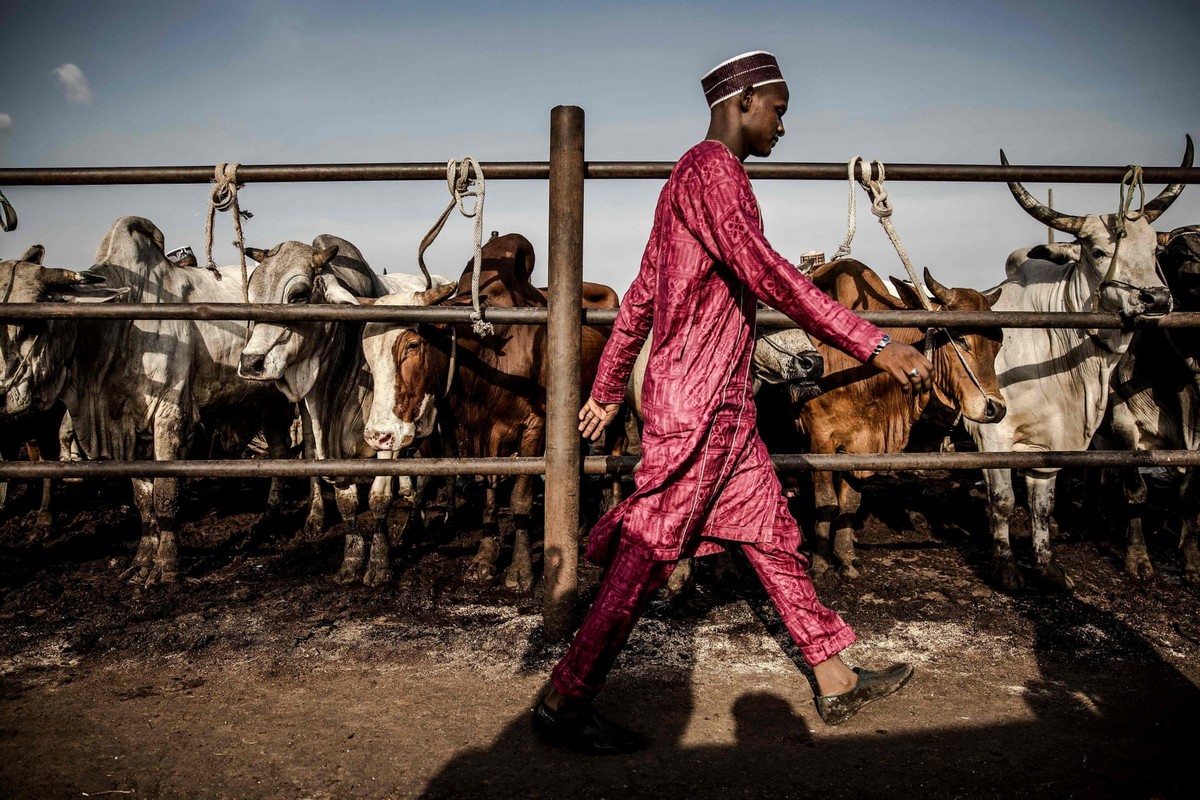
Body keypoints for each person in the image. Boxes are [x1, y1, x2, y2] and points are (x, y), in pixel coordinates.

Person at [532, 51, 931, 755]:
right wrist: (873, 343)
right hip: (702, 406)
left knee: (771, 534)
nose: (783, 124)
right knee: (648, 555)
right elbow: (769, 273)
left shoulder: (681, 180)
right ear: (744, 100)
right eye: (778, 109)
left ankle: (835, 678)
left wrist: (605, 390)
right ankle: (567, 698)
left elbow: (641, 300)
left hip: (717, 403)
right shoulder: (716, 174)